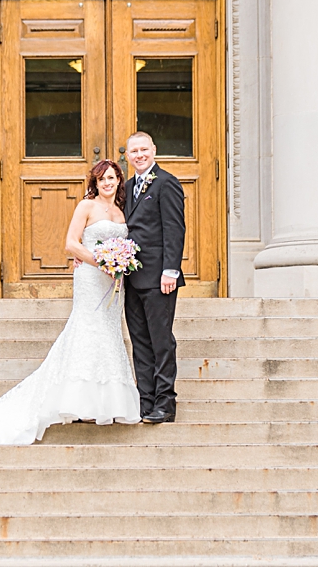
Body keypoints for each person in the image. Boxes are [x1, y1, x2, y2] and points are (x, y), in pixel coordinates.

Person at [0, 160, 141, 445]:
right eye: (102, 179)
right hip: (91, 278)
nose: (107, 183)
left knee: (108, 334)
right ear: (95, 184)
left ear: (119, 180)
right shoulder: (86, 206)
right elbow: (71, 244)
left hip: (113, 284)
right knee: (86, 330)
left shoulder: (123, 211)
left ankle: (102, 404)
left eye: (112, 178)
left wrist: (119, 263)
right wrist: (102, 261)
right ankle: (75, 401)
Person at [122, 131, 186, 424]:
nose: (139, 155)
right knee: (140, 342)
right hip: (132, 278)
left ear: (154, 150)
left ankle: (165, 403)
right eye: (133, 151)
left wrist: (170, 270)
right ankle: (145, 401)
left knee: (161, 341)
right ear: (128, 155)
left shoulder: (166, 183)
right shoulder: (128, 186)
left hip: (160, 278)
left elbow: (173, 228)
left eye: (143, 149)